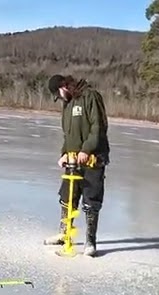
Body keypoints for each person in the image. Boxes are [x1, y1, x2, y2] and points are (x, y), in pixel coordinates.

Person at [45, 73, 110, 257]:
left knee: (91, 200)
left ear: (64, 86)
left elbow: (98, 127)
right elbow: (68, 134)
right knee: (67, 197)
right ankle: (64, 233)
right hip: (73, 160)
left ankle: (90, 241)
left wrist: (86, 150)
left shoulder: (90, 97)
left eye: (58, 94)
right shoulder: (68, 104)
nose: (59, 99)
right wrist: (64, 153)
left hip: (92, 159)